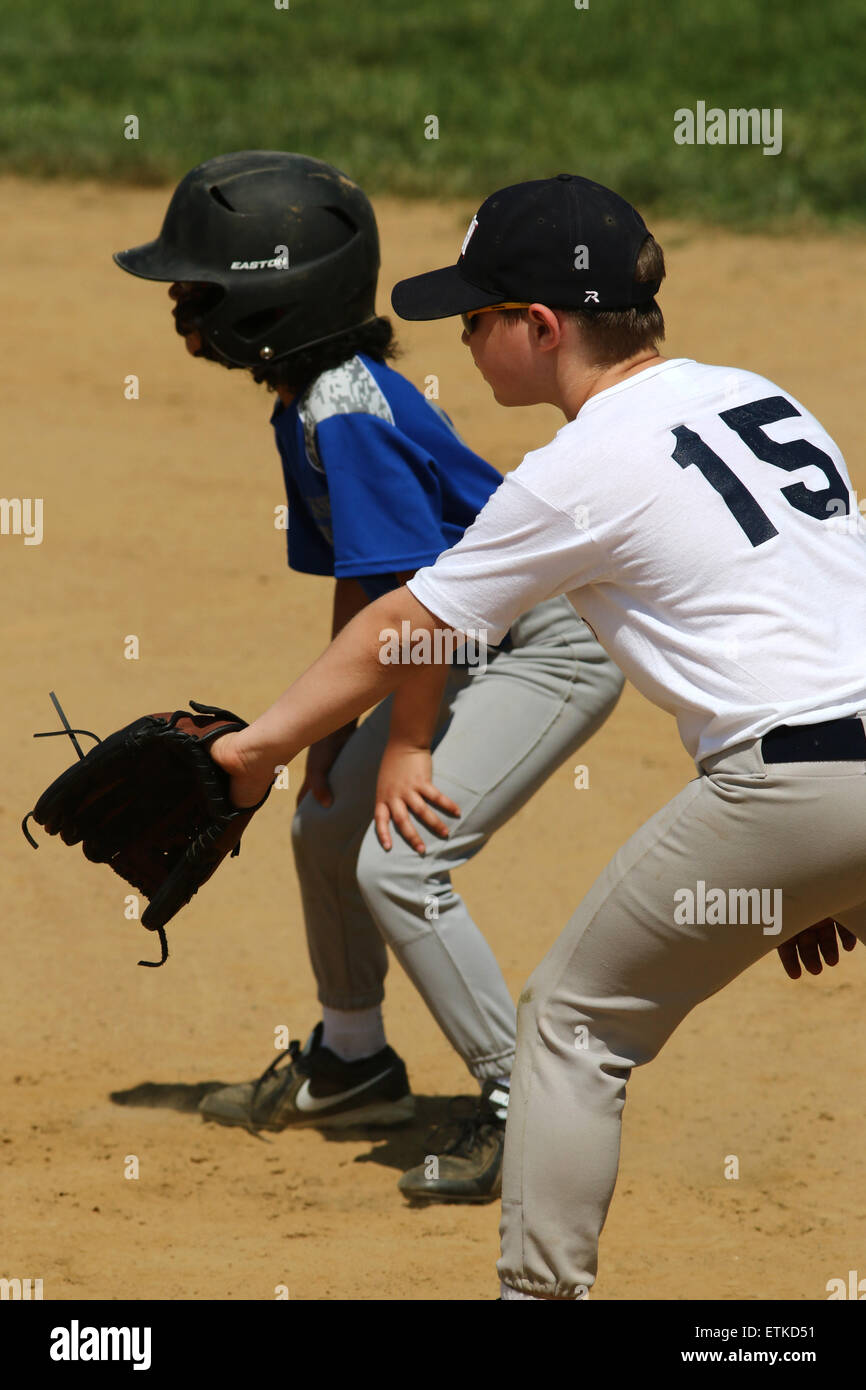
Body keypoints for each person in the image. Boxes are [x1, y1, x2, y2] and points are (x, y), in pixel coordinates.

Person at [207, 172, 866, 1299]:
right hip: (828, 783)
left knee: (568, 1024)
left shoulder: (577, 467)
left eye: (472, 318)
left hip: (792, 784)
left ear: (540, 327)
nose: (459, 340)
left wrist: (256, 746)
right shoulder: (757, 397)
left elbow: (404, 625)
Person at [113, 152, 624, 1204]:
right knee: (326, 821)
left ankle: (523, 1103)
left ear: (271, 294)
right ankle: (353, 1062)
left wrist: (402, 742)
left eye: (199, 283)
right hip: (457, 635)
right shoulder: (314, 397)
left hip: (540, 645)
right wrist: (329, 735)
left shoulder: (343, 409)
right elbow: (371, 593)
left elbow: (431, 597)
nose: (178, 300)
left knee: (397, 858)